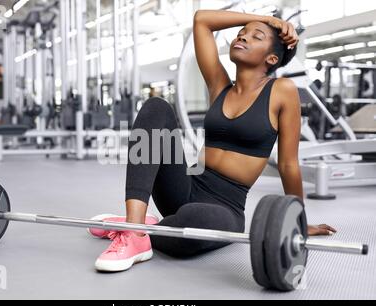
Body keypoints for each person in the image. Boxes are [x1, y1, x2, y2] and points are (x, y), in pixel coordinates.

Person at [90, 10, 337, 272]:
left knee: (192, 223)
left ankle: (142, 227)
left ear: (271, 58)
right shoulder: (220, 86)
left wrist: (296, 220)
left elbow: (288, 164)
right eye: (242, 33)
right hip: (185, 187)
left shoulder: (282, 91)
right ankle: (134, 230)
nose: (243, 36)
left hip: (225, 208)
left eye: (256, 36)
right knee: (156, 107)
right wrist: (265, 20)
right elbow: (201, 20)